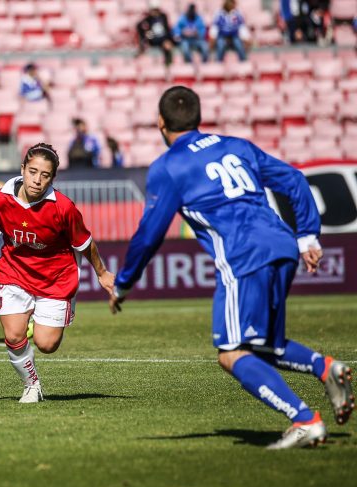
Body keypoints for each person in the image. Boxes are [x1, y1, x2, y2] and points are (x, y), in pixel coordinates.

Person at [109, 86, 354, 449]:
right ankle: (325, 368)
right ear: (199, 117)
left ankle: (305, 420)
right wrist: (308, 238)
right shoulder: (236, 145)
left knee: (231, 353)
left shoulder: (169, 167)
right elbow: (294, 179)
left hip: (243, 256)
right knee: (262, 344)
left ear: (160, 122)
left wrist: (124, 283)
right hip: (283, 245)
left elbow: (149, 235)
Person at [0, 143, 115, 402]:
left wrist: (102, 272)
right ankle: (32, 385)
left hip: (56, 279)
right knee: (13, 335)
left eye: (45, 175)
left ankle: (36, 320)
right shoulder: (1, 199)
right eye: (32, 172)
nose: (37, 180)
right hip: (12, 273)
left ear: (53, 178)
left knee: (47, 344)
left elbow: (85, 243)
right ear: (22, 169)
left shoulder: (63, 208)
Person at [136, 1, 174, 66]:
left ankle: (168, 64)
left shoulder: (163, 16)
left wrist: (169, 39)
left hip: (163, 38)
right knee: (149, 37)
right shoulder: (149, 18)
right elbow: (139, 25)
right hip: (153, 39)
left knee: (167, 45)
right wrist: (145, 34)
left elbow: (167, 29)